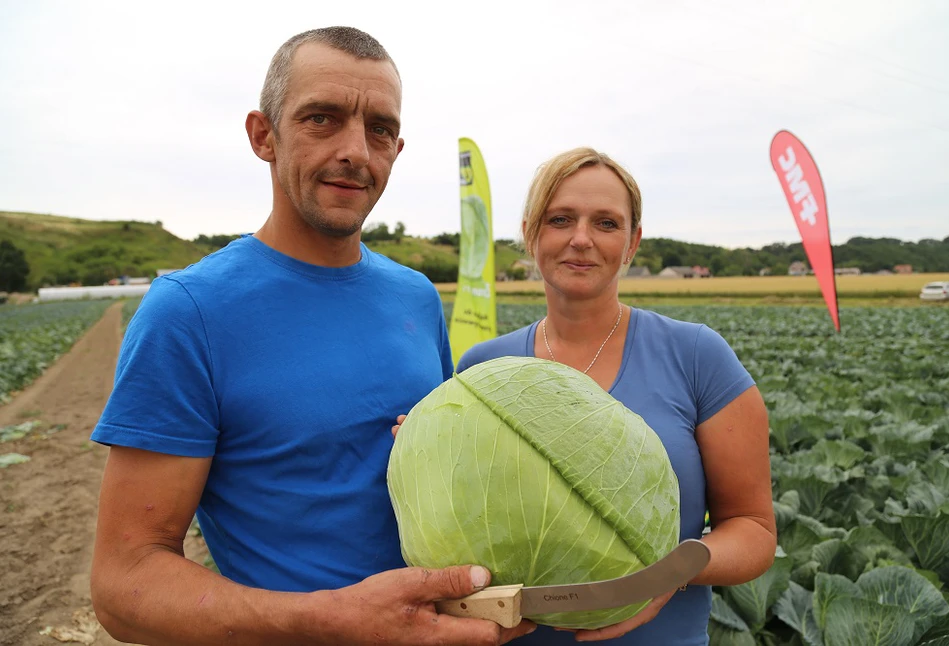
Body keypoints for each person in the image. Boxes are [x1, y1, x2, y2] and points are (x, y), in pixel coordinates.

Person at [89, 27, 535, 645]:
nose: (356, 150)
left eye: (379, 128)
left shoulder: (417, 297)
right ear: (262, 135)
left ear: (397, 149)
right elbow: (122, 587)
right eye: (322, 118)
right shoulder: (188, 312)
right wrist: (325, 621)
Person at [455, 148, 777, 645]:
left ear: (632, 243)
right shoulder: (482, 369)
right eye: (560, 219)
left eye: (606, 223)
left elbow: (753, 529)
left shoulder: (696, 355)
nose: (581, 239)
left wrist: (667, 575)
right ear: (531, 233)